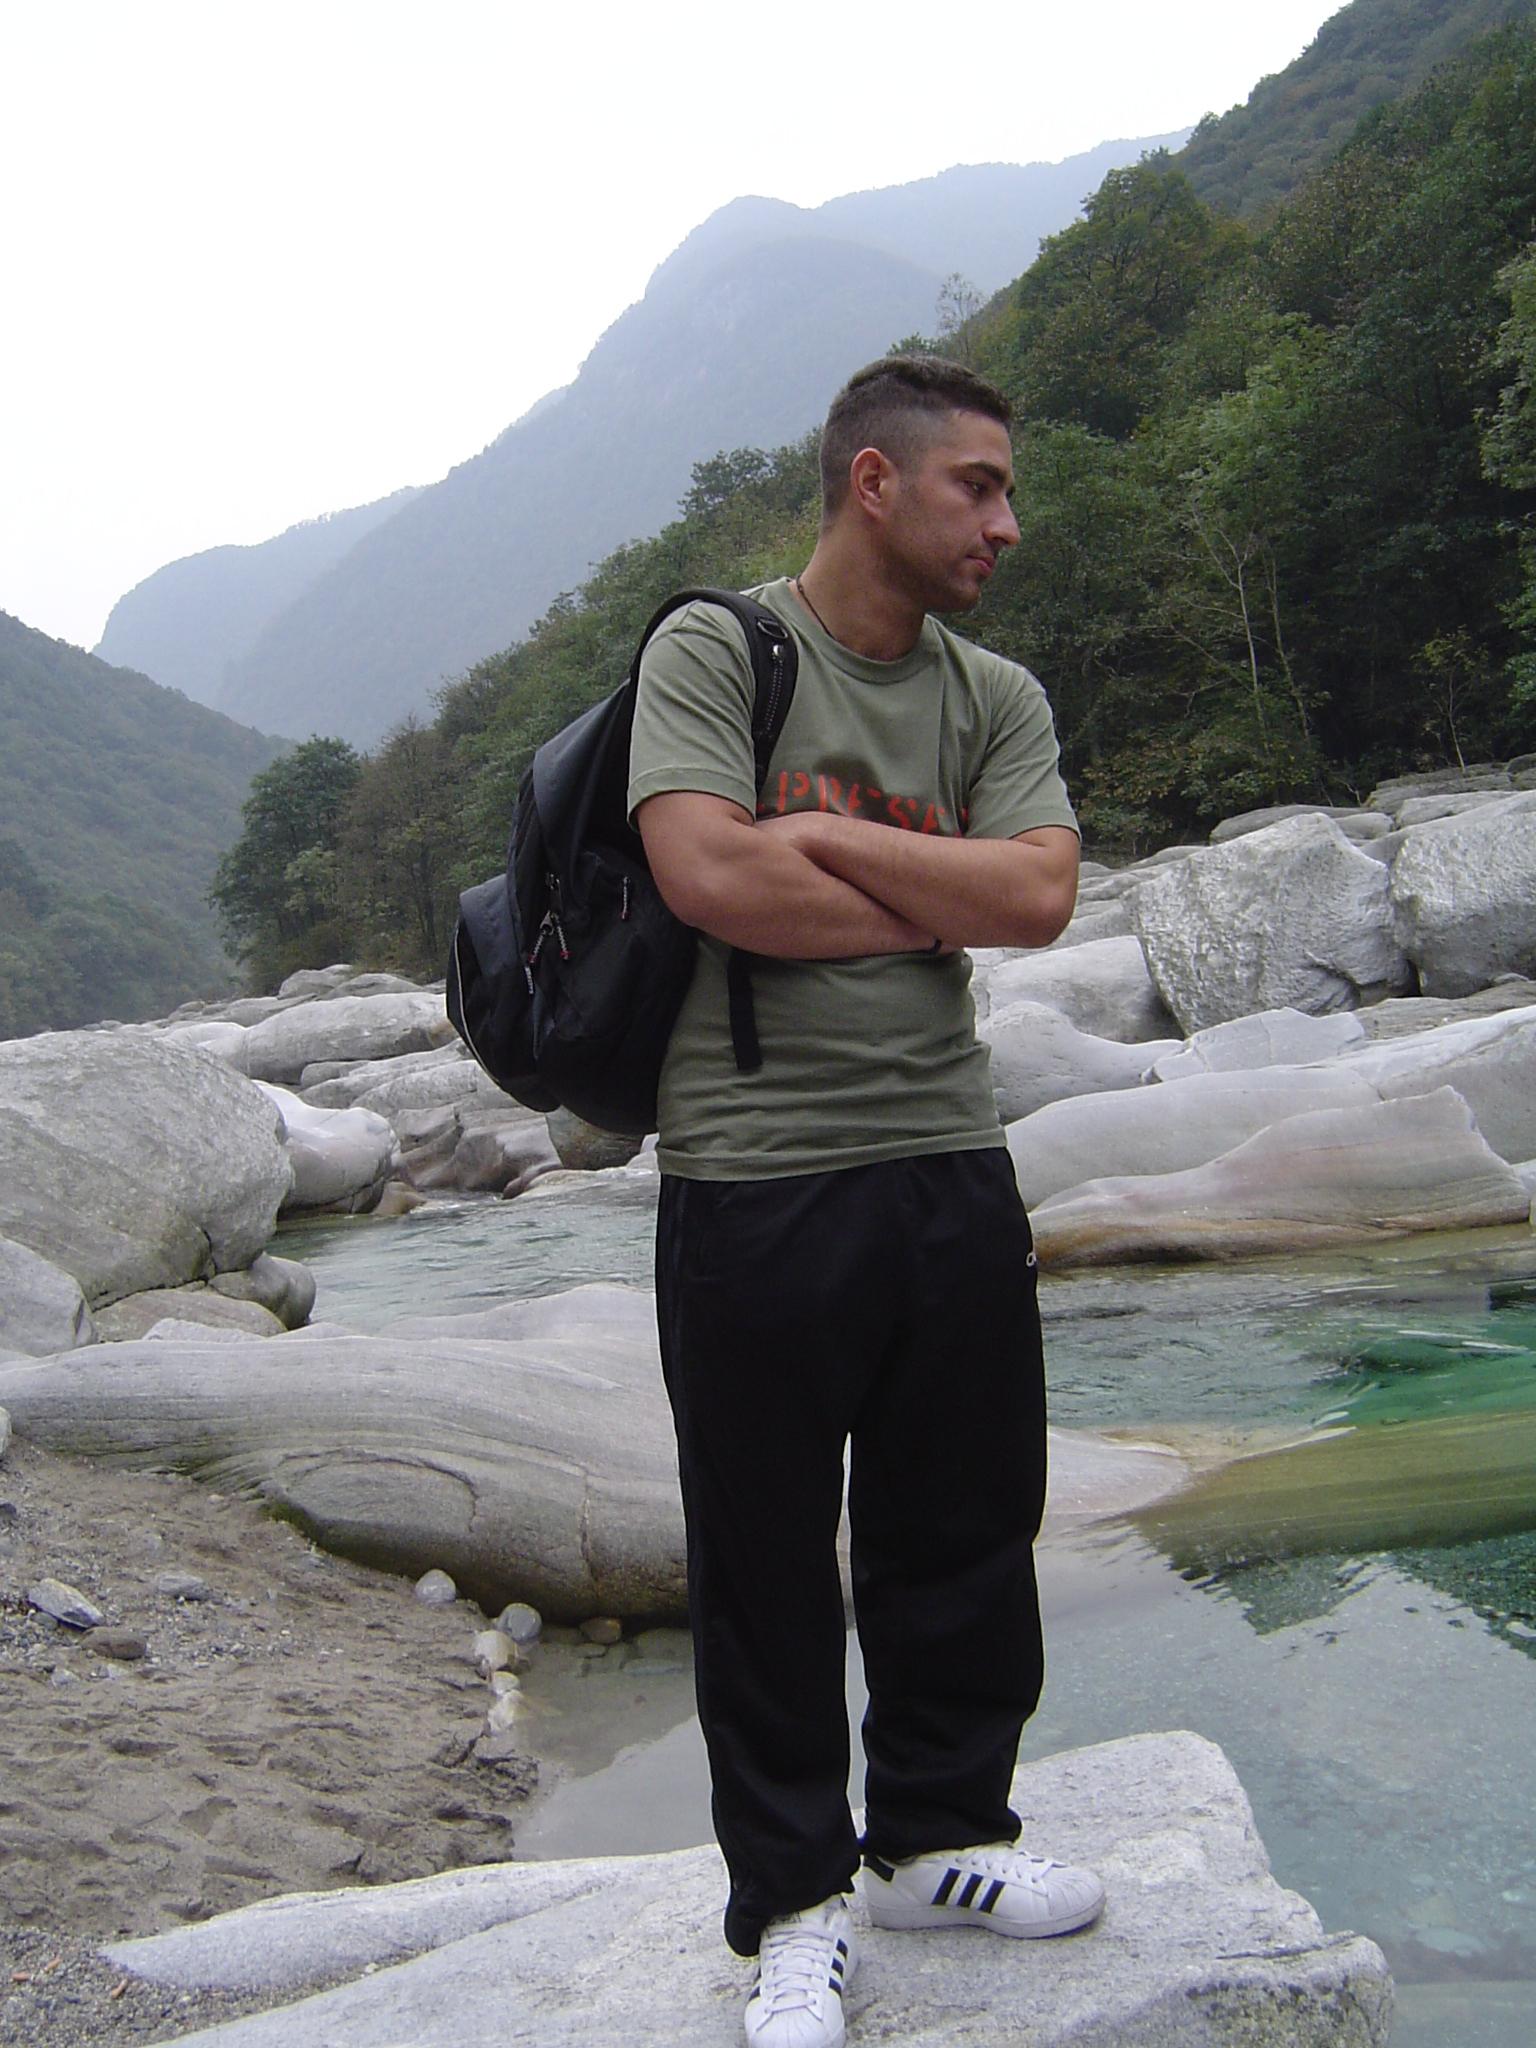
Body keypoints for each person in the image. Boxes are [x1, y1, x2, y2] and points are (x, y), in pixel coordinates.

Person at [628, 355, 1103, 2048]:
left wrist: (824, 852)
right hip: (755, 1174)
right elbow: (706, 872)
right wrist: (941, 887)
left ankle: (939, 1837)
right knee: (764, 1557)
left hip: (950, 1156)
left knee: (964, 1523)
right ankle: (793, 1908)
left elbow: (1040, 897)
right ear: (874, 484)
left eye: (1006, 488)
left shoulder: (995, 694)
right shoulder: (718, 651)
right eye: (979, 484)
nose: (1007, 522)